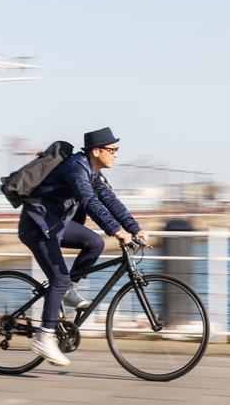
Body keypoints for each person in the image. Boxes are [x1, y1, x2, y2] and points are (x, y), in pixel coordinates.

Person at [18, 127, 149, 366]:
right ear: (96, 151)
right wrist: (115, 230)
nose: (116, 154)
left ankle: (69, 289)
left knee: (94, 242)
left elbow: (110, 200)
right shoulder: (77, 167)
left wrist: (134, 228)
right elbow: (88, 201)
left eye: (117, 149)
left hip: (56, 224)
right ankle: (44, 337)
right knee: (58, 279)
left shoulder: (93, 172)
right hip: (38, 226)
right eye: (112, 150)